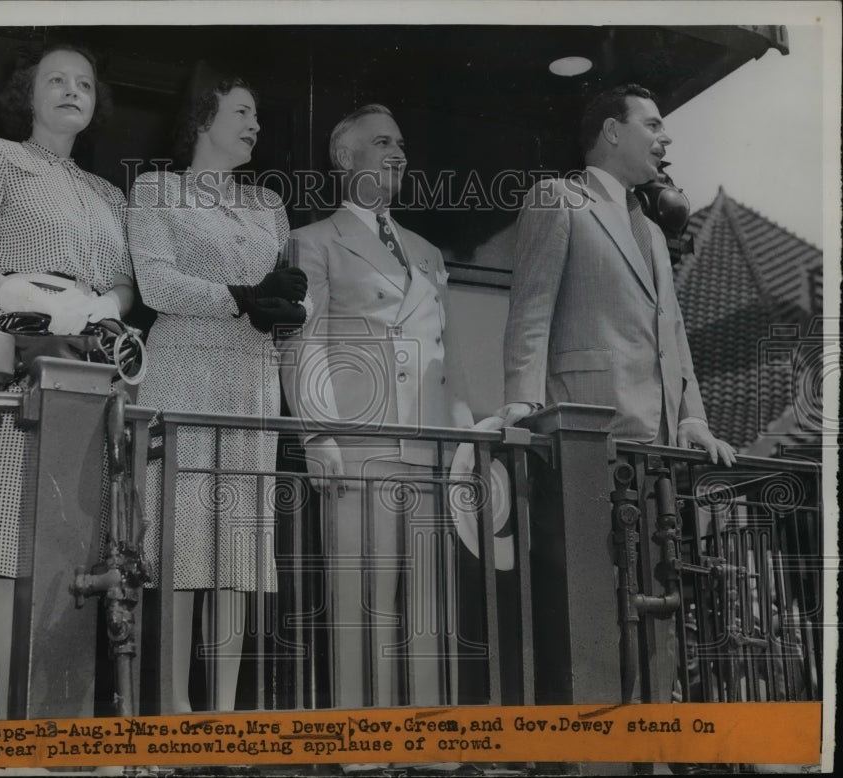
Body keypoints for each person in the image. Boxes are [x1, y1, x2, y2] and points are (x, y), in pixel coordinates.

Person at [0, 42, 134, 719]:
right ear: (29, 93)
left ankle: (60, 720)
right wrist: (24, 293)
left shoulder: (108, 194)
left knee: (75, 547)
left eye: (85, 83)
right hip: (21, 354)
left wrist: (103, 308)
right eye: (56, 80)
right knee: (16, 543)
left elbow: (123, 285)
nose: (73, 90)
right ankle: (13, 724)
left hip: (90, 365)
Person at [282, 104, 474, 712]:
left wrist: (465, 437)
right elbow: (303, 341)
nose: (399, 154)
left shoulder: (427, 251)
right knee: (362, 601)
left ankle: (429, 739)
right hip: (360, 444)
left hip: (431, 447)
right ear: (345, 157)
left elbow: (450, 354)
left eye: (402, 144)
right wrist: (318, 435)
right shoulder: (313, 241)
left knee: (430, 606)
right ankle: (363, 740)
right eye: (383, 143)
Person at [127, 76, 307, 713]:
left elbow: (289, 292)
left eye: (258, 114)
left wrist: (290, 309)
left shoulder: (268, 206)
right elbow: (156, 284)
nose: (255, 124)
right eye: (242, 111)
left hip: (250, 383)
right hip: (183, 374)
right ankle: (175, 705)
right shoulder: (156, 190)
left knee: (237, 549)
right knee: (182, 543)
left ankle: (224, 711)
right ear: (203, 118)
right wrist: (241, 298)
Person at [500, 84, 736, 466]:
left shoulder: (654, 233)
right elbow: (531, 312)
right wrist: (523, 402)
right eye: (653, 125)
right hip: (587, 434)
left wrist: (692, 417)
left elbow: (673, 330)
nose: (666, 138)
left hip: (662, 446)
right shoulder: (558, 198)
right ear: (612, 131)